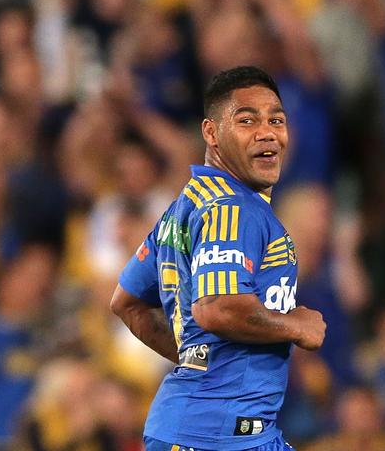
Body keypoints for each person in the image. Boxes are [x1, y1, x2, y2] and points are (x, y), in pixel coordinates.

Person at [110, 66, 327, 451]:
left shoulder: (184, 207)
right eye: (247, 120)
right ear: (211, 133)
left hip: (229, 431)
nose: (267, 132)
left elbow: (126, 302)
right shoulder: (233, 208)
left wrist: (200, 360)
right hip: (214, 437)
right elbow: (217, 308)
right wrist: (295, 325)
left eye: (276, 119)